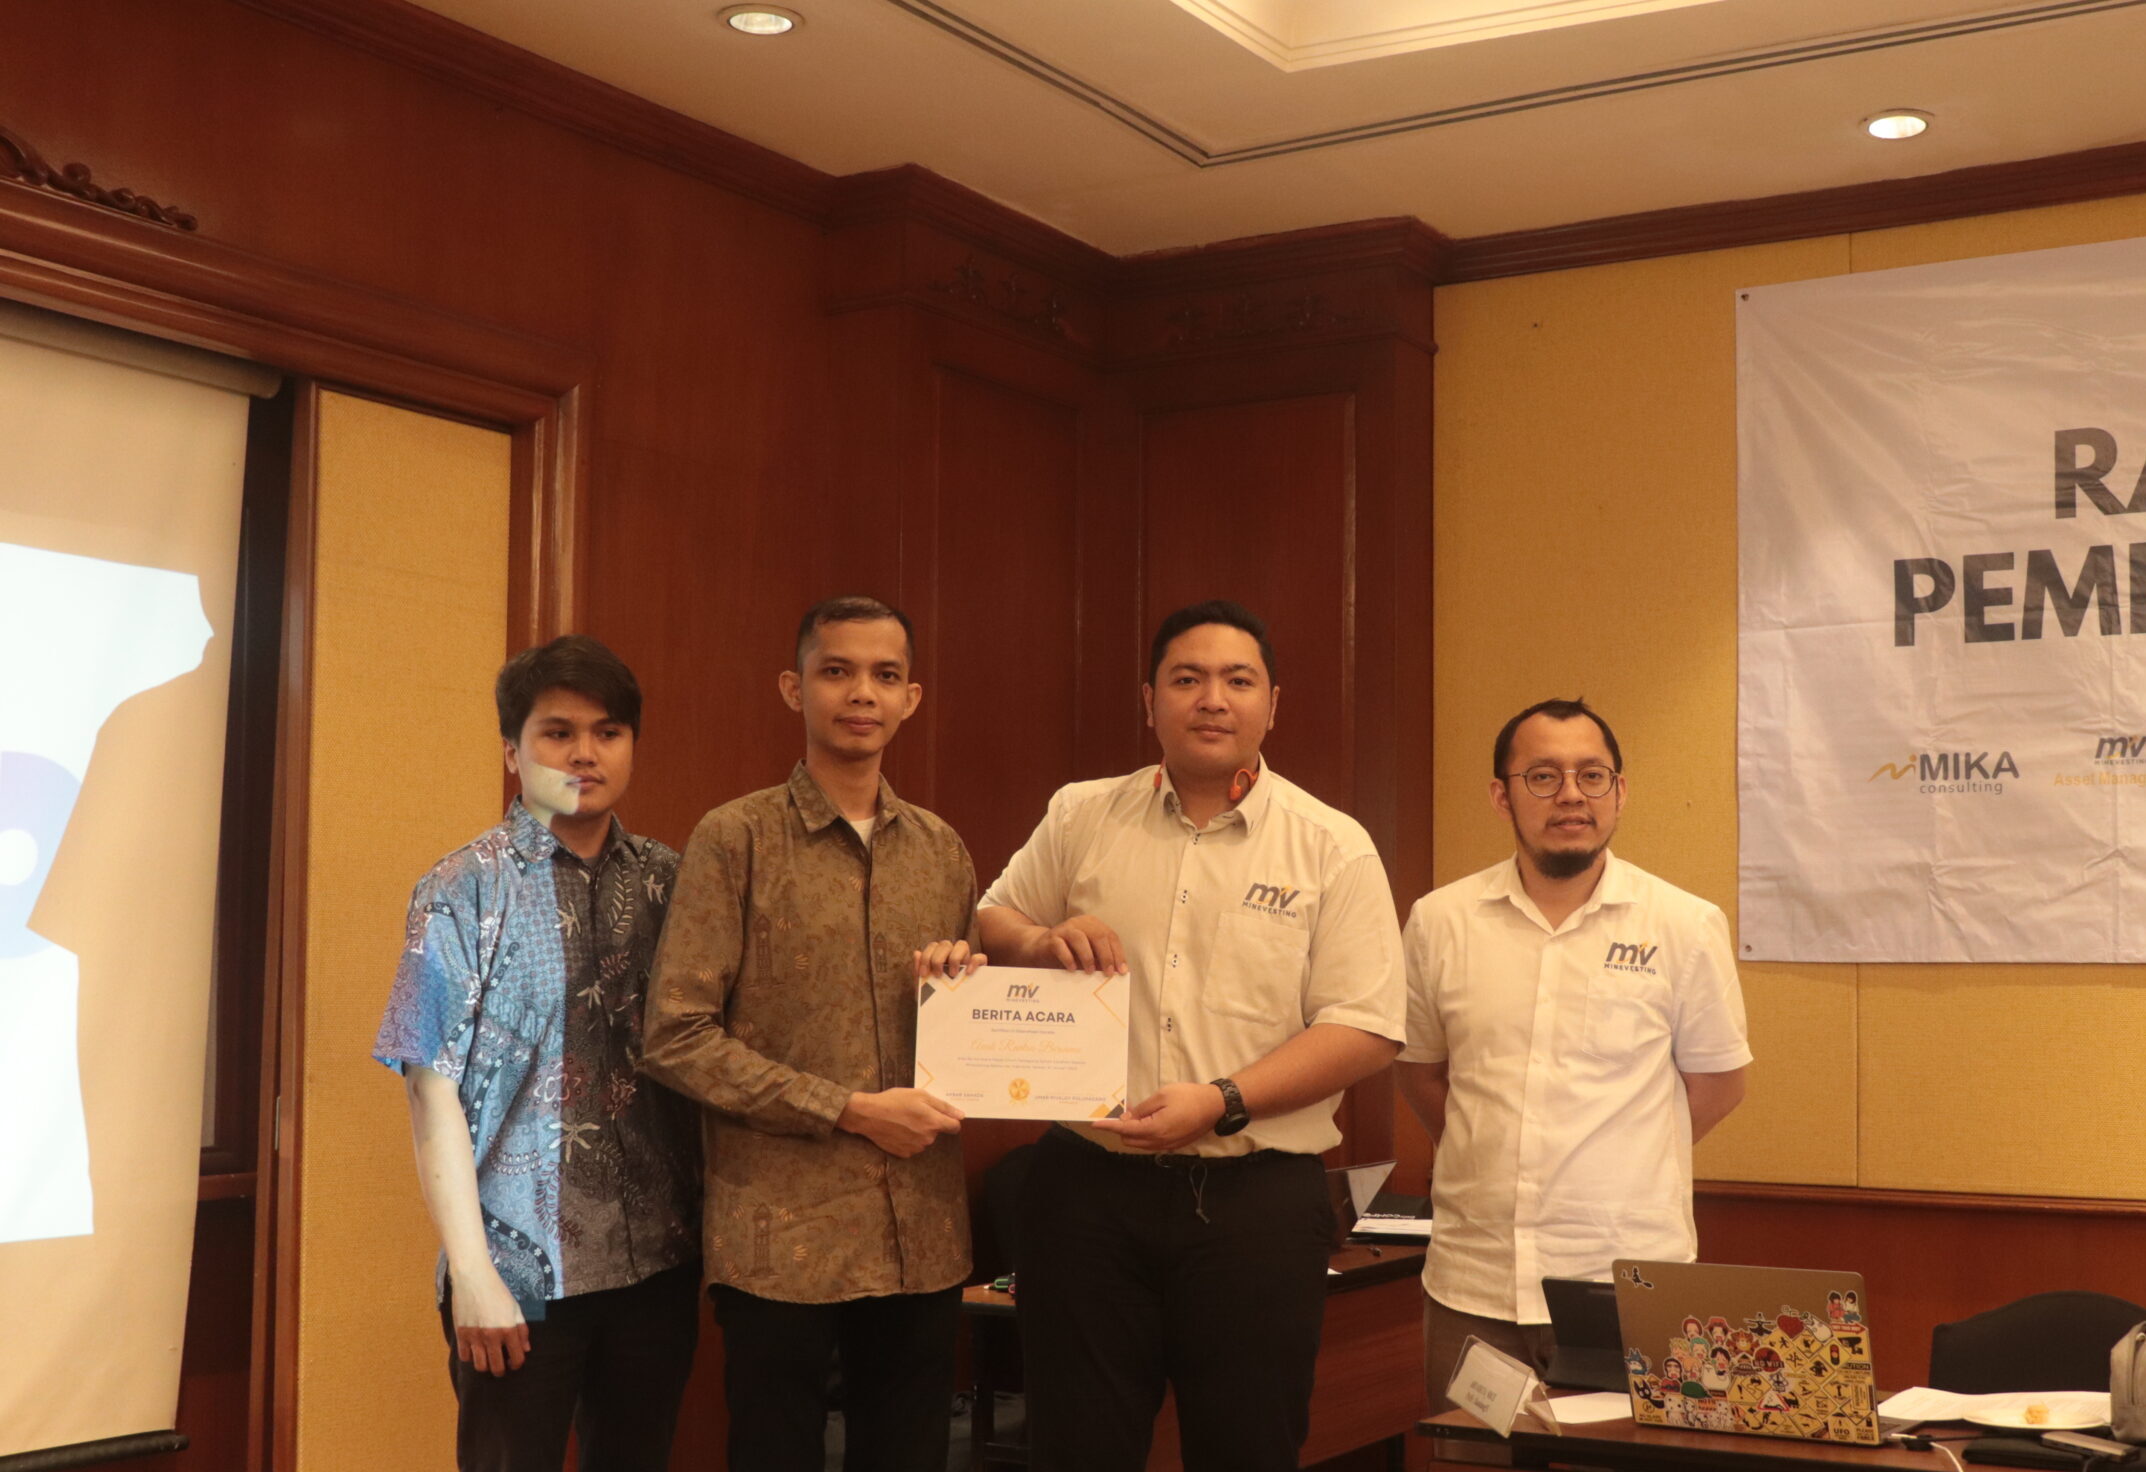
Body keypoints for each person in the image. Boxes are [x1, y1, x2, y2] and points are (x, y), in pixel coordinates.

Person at [978, 598, 1406, 1472]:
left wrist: (1222, 1101)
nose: (1212, 699)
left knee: (1247, 1449)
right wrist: (1043, 941)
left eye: (1237, 680)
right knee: (1075, 1451)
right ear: (1150, 701)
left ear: (1272, 705)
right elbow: (993, 916)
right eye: (1187, 679)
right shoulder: (1082, 814)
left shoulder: (1333, 846)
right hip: (1086, 1197)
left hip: (1256, 1206)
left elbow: (1365, 1028)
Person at [640, 595, 981, 1472]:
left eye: (885, 675)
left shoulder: (943, 851)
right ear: (795, 688)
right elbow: (675, 1035)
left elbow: (969, 1040)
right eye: (837, 671)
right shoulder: (736, 838)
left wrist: (963, 986)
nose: (862, 692)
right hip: (779, 1240)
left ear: (911, 698)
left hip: (921, 1236)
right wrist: (848, 1109)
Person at [373, 635, 702, 1472]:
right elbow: (429, 1090)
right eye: (558, 732)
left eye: (608, 732)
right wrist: (472, 1274)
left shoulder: (674, 883)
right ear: (511, 750)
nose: (585, 754)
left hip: (658, 1260)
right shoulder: (460, 889)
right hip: (515, 1270)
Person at [1398, 697, 1751, 1399]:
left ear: (1620, 792)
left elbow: (1718, 1087)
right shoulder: (1440, 922)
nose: (1570, 795)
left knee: (1622, 1454)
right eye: (1543, 776)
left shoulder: (1683, 925)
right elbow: (1422, 1074)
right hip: (1473, 1282)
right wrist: (1489, 1146)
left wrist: (1621, 1158)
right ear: (1501, 796)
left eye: (1592, 776)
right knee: (1471, 1453)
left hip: (1625, 1285)